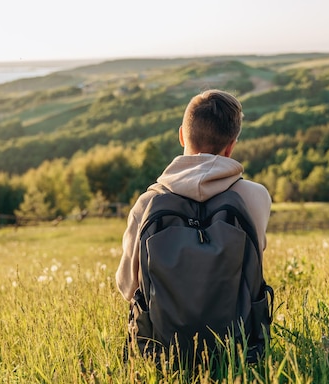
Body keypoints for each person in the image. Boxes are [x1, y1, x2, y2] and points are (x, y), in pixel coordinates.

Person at [115, 88, 271, 306]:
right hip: (240, 335)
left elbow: (128, 287)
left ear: (181, 136)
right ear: (231, 146)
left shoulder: (148, 203)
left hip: (163, 337)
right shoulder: (256, 196)